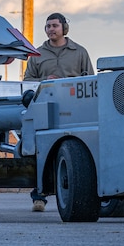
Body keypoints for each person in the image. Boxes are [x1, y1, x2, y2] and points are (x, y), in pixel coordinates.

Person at [22, 12, 93, 212]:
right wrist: (45, 81)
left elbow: (90, 80)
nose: (51, 29)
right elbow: (27, 82)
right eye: (48, 26)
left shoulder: (79, 52)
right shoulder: (37, 54)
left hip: (75, 110)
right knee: (40, 150)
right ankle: (39, 197)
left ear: (64, 28)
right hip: (45, 109)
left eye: (54, 26)